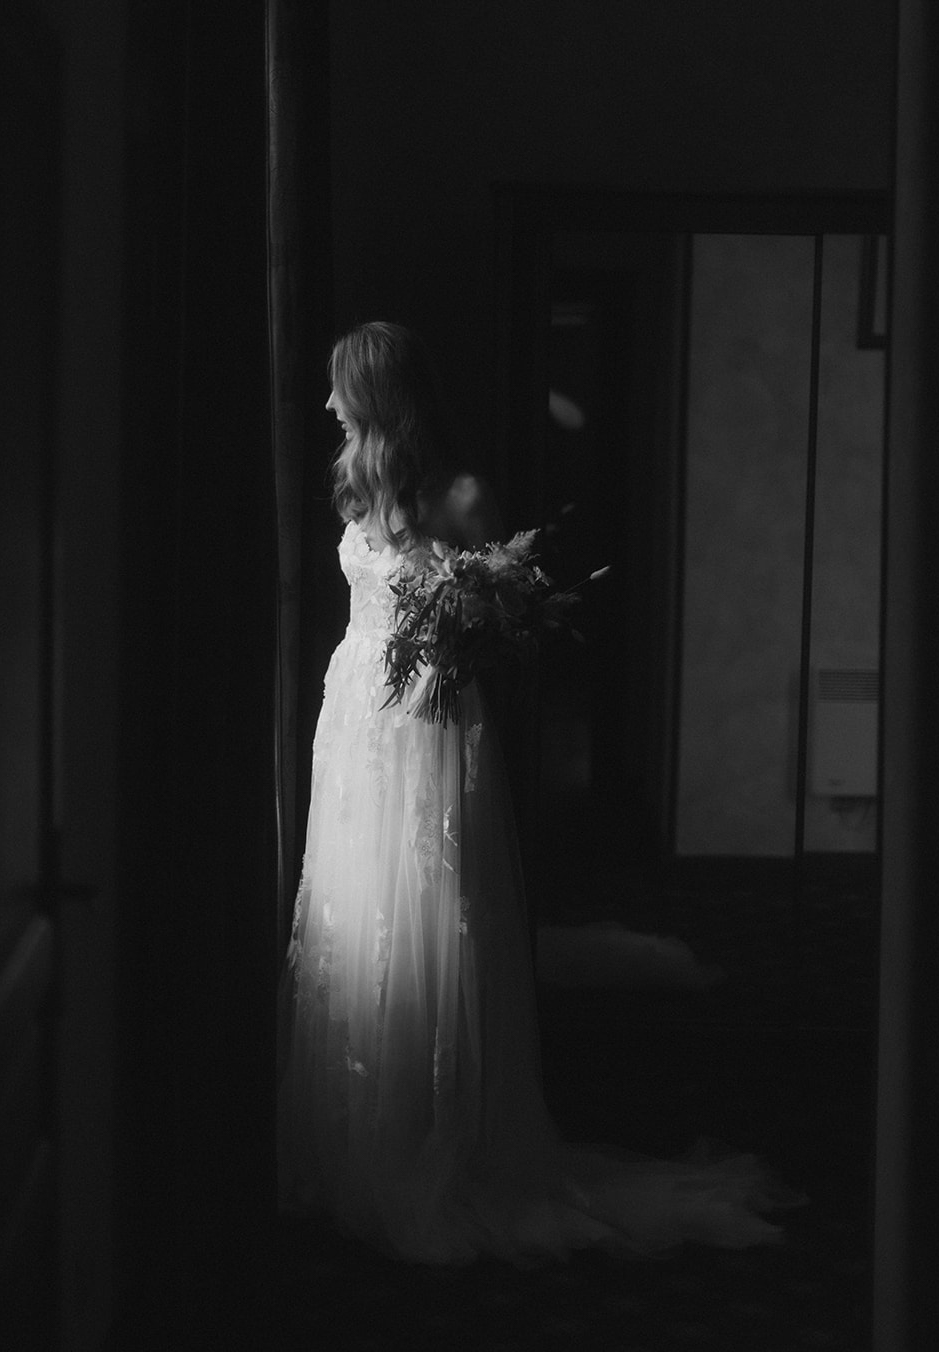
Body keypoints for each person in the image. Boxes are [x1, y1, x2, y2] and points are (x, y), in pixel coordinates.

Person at [277, 320, 801, 1264]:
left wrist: (466, 632)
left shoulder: (453, 493)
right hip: (354, 713)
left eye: (336, 388)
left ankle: (434, 1135)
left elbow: (497, 607)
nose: (324, 404)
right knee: (355, 915)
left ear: (373, 392)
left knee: (426, 915)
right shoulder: (354, 481)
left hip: (424, 724)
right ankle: (357, 1132)